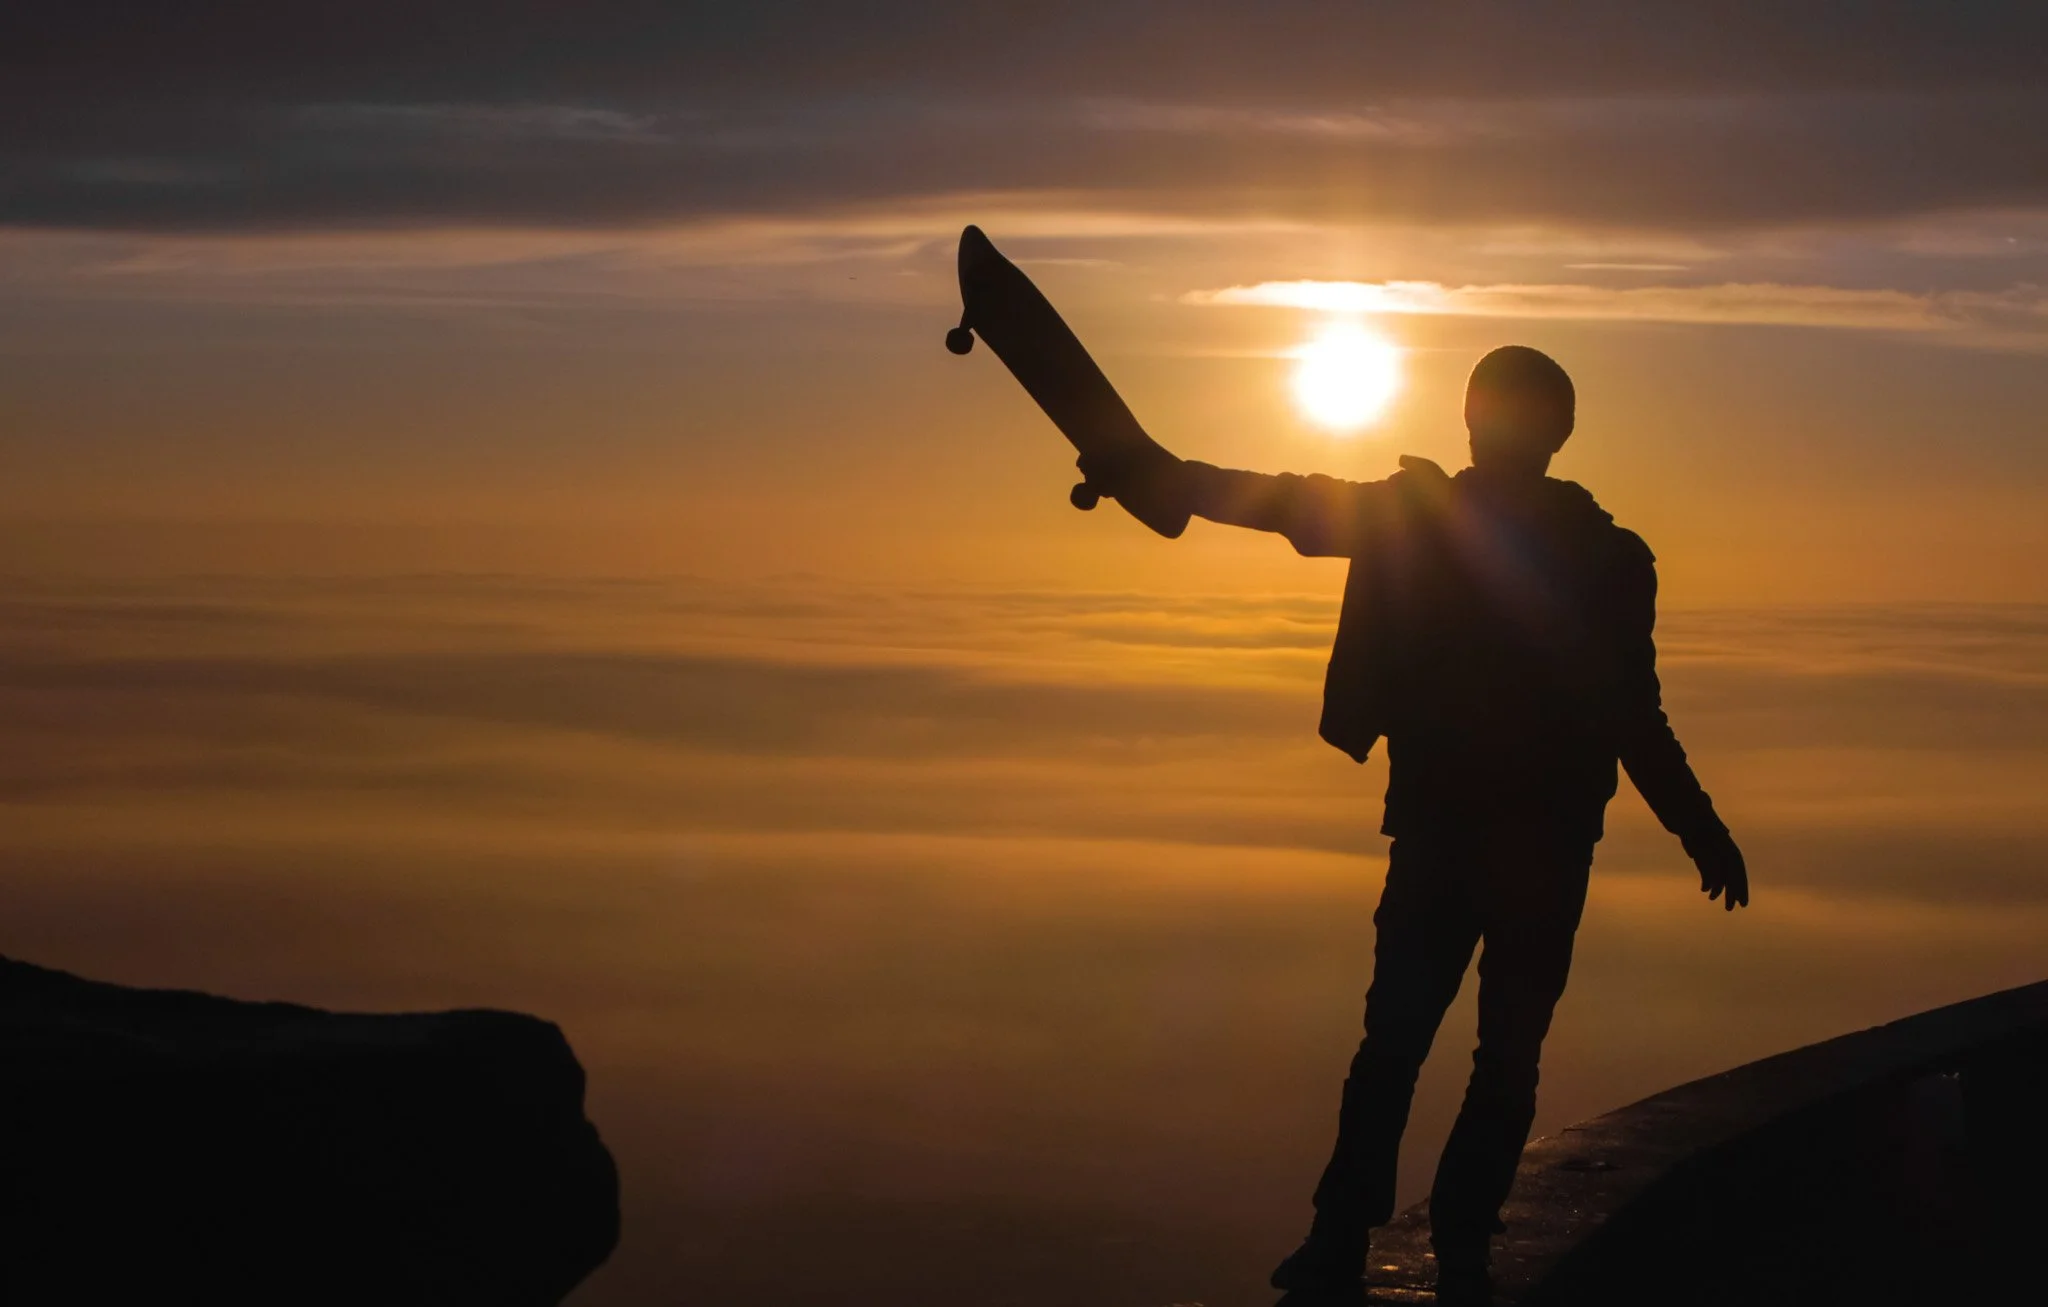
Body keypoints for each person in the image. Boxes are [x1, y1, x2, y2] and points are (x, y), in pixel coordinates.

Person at [1079, 346, 1747, 1305]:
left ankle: (1354, 1240)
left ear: (1478, 421)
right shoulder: (1598, 555)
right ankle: (1438, 1246)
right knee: (1484, 1053)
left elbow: (1282, 502)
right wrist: (1699, 829)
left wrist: (1158, 478)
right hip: (1530, 843)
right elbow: (1632, 714)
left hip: (1470, 836)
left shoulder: (1464, 531)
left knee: (1408, 1045)